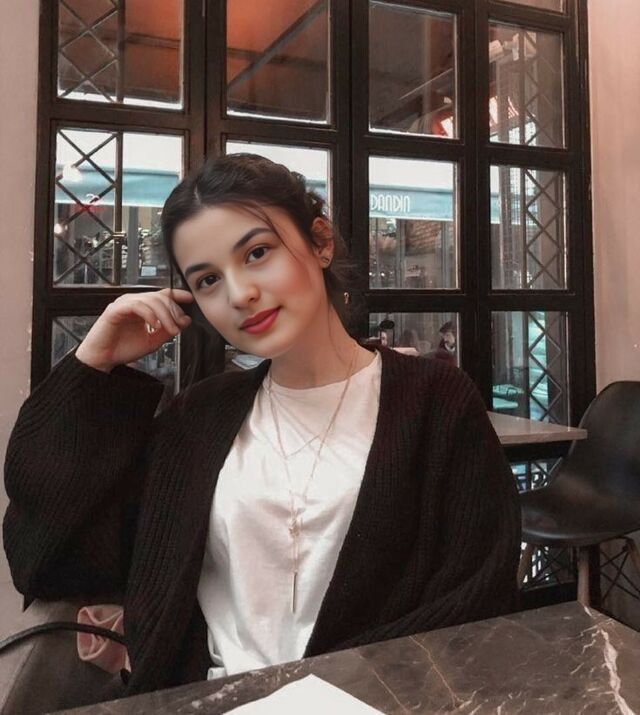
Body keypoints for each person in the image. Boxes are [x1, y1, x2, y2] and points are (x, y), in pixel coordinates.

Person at [3, 154, 521, 699]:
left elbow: (476, 599)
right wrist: (94, 364)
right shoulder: (198, 420)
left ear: (320, 242)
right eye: (208, 280)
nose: (239, 294)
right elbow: (46, 557)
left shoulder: (435, 402)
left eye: (257, 253)